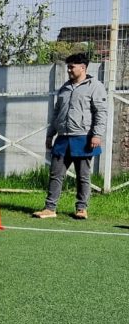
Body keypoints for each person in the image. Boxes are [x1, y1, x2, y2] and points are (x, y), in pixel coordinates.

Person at [33, 53, 108, 220]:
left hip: (83, 137)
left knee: (83, 176)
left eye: (71, 67)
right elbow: (56, 114)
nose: (68, 70)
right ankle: (50, 208)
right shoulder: (64, 88)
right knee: (55, 173)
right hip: (62, 138)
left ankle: (81, 208)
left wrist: (97, 135)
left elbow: (101, 113)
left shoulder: (95, 86)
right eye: (68, 67)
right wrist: (49, 135)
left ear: (83, 67)